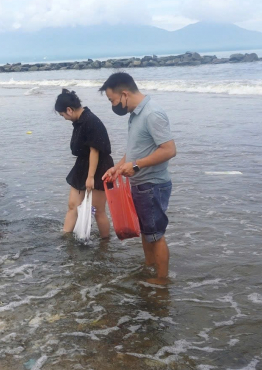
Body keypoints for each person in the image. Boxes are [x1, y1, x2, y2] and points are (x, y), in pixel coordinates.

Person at [101, 72, 177, 285]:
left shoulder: (153, 114)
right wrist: (117, 168)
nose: (113, 105)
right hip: (140, 184)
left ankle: (162, 281)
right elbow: (135, 150)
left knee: (156, 234)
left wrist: (136, 165)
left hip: (153, 184)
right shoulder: (135, 115)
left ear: (124, 94)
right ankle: (150, 268)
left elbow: (169, 150)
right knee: (147, 231)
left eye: (112, 100)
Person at [55, 89, 113, 239]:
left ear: (69, 110)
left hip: (99, 167)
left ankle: (105, 243)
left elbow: (95, 151)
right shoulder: (79, 120)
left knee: (98, 210)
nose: (64, 118)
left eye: (62, 115)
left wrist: (91, 177)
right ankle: (65, 239)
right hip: (82, 164)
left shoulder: (90, 121)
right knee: (72, 206)